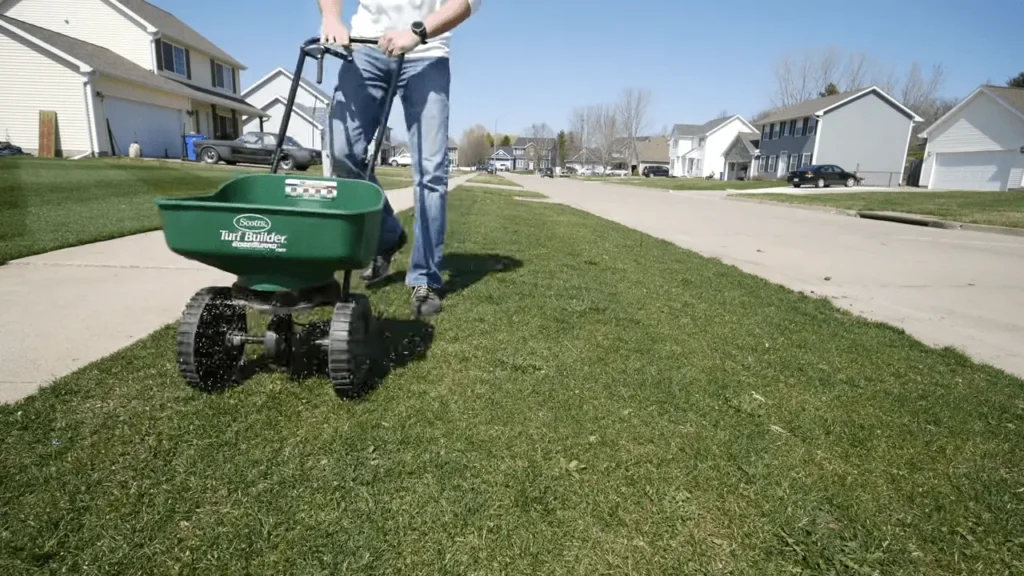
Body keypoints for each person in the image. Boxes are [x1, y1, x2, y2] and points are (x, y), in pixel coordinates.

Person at [317, 0, 483, 318]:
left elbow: (465, 4)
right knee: (342, 151)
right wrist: (331, 18)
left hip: (427, 53)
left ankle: (425, 278)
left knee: (431, 170)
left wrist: (417, 30)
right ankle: (387, 236)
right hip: (366, 48)